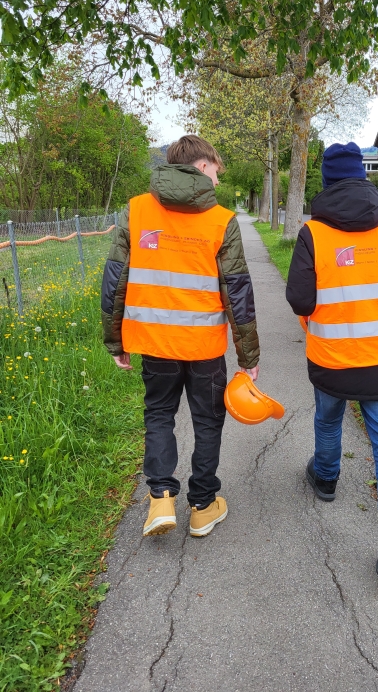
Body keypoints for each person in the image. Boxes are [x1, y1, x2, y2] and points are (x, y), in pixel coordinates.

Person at [101, 135, 260, 538]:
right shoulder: (221, 219)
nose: (219, 182)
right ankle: (203, 507)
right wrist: (248, 356)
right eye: (217, 172)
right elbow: (236, 290)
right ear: (202, 165)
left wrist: (115, 338)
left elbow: (114, 279)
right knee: (207, 421)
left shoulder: (136, 211)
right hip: (204, 347)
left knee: (159, 413)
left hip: (154, 343)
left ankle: (159, 500)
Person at [286, 142, 378, 587]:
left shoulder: (315, 234)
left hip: (331, 357)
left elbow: (299, 298)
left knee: (328, 421)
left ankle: (326, 479)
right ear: (365, 179)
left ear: (326, 181)